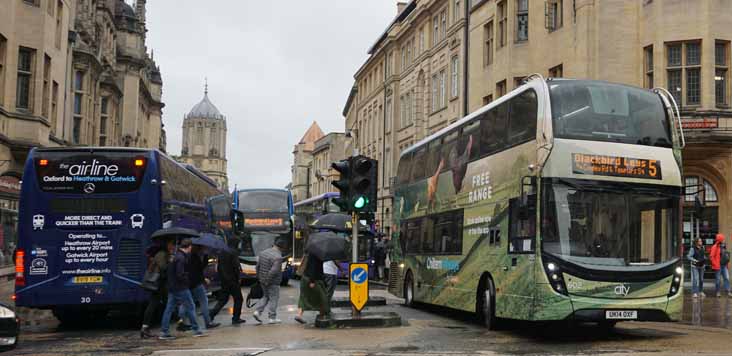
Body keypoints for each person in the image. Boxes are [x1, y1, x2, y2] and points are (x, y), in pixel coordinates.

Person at [159, 238, 205, 340]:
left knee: (169, 309)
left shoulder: (175, 256)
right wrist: (187, 278)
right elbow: (180, 274)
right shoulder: (181, 258)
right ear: (189, 247)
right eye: (191, 247)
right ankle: (196, 330)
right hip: (181, 287)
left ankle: (164, 331)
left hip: (172, 287)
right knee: (191, 307)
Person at [179, 245, 219, 330]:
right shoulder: (195, 257)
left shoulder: (185, 256)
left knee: (185, 303)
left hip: (187, 283)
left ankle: (181, 321)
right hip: (196, 283)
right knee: (204, 301)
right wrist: (205, 258)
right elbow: (199, 270)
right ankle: (208, 322)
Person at [140, 240, 174, 338]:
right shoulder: (161, 254)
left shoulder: (164, 254)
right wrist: (170, 261)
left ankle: (146, 328)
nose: (171, 246)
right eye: (170, 244)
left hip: (161, 284)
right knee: (159, 304)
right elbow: (163, 267)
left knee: (161, 304)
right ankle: (147, 328)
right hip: (158, 284)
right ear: (165, 245)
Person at [209, 237, 245, 324]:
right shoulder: (233, 252)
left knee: (223, 299)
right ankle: (236, 318)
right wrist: (238, 278)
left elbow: (219, 267)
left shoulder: (222, 252)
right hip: (232, 280)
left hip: (224, 280)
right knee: (238, 299)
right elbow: (235, 267)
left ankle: (212, 314)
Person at [252, 239, 285, 324]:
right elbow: (274, 271)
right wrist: (267, 280)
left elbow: (257, 266)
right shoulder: (278, 257)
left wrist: (259, 277)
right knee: (274, 298)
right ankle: (272, 318)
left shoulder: (263, 253)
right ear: (281, 248)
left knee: (266, 296)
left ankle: (257, 312)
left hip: (262, 279)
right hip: (272, 281)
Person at [294, 253, 330, 324]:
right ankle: (322, 316)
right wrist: (312, 281)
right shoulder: (316, 256)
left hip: (306, 278)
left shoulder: (310, 254)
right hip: (313, 280)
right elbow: (313, 268)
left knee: (303, 297)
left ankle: (299, 315)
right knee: (322, 298)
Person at [710, 233, 731, 297]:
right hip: (718, 266)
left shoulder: (723, 246)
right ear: (720, 239)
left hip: (724, 266)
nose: (724, 240)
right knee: (718, 280)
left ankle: (728, 291)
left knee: (726, 278)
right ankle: (718, 292)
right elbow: (711, 257)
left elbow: (724, 256)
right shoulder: (714, 247)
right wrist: (715, 264)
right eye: (723, 239)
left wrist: (727, 263)